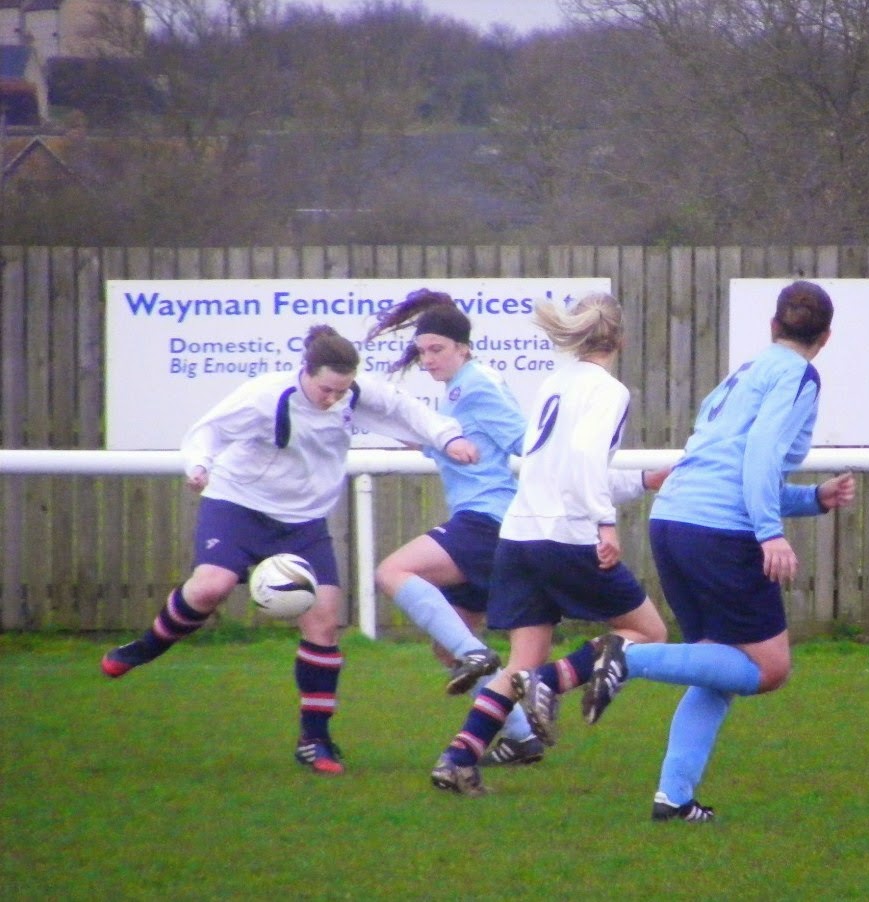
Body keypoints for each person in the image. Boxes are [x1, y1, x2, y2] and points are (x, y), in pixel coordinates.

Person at [101, 324, 478, 776]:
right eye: (325, 389)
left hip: (302, 521)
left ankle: (314, 740)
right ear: (305, 372)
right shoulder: (265, 395)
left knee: (324, 621)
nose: (333, 399)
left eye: (342, 390)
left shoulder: (354, 391)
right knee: (210, 588)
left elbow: (409, 412)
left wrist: (449, 437)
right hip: (239, 504)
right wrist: (199, 464)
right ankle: (142, 648)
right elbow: (208, 431)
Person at [578, 279, 856, 822]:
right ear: (825, 338)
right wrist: (770, 532)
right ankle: (627, 658)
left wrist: (813, 499)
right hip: (717, 534)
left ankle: (673, 798)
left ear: (774, 326)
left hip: (675, 520)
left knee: (719, 667)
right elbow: (758, 457)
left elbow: (723, 467)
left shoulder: (744, 373)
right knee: (769, 669)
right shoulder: (799, 375)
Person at [429, 291, 670, 797]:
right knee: (647, 632)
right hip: (566, 535)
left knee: (520, 663)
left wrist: (640, 481)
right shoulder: (609, 391)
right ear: (620, 339)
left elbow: (558, 467)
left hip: (520, 535)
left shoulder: (554, 383)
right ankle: (556, 680)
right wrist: (605, 523)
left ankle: (457, 758)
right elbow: (584, 460)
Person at [366, 288, 543, 766]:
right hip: (489, 524)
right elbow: (474, 441)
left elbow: (524, 441)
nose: (427, 361)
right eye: (422, 352)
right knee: (449, 648)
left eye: (436, 350)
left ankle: (482, 660)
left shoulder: (474, 384)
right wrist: (424, 443)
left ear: (464, 347)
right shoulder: (463, 388)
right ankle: (521, 736)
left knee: (393, 572)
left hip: (486, 521)